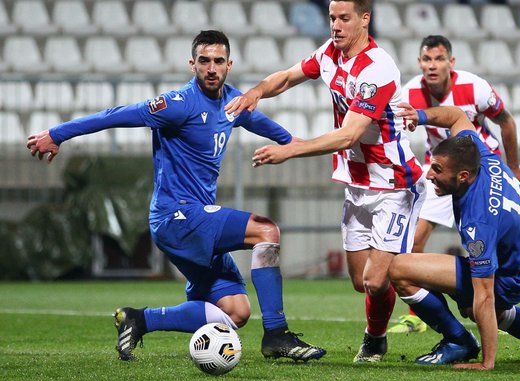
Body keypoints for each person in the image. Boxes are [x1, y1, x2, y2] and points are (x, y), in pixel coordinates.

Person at [27, 30, 326, 363]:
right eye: (204, 61)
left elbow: (280, 135)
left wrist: (315, 148)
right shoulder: (177, 104)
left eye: (218, 61)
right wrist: (56, 134)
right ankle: (277, 335)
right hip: (177, 217)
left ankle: (139, 319)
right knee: (266, 230)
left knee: (235, 312)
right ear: (192, 64)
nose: (211, 68)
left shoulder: (233, 103)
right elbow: (114, 115)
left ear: (229, 64)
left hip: (194, 220)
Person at [226, 0, 426, 363]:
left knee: (376, 280)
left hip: (392, 183)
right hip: (356, 184)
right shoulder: (329, 54)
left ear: (365, 19)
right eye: (332, 18)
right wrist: (256, 92)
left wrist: (291, 150)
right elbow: (287, 77)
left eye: (344, 18)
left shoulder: (377, 67)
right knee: (359, 281)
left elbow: (350, 133)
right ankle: (413, 296)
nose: (335, 25)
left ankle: (379, 338)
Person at [389, 104, 520, 369]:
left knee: (401, 269)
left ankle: (458, 341)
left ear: (463, 176)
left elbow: (486, 294)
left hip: (512, 273)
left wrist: (486, 362)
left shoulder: (478, 221)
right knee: (477, 309)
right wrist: (420, 116)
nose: (430, 174)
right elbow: (457, 115)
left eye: (437, 169)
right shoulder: (479, 154)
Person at [388, 35, 520, 334]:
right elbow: (394, 136)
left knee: (493, 251)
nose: (432, 65)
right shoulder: (409, 92)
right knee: (412, 244)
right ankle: (418, 315)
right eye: (427, 59)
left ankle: (494, 306)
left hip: (479, 175)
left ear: (451, 62)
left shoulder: (475, 87)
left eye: (439, 59)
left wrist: (513, 166)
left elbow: (507, 121)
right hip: (440, 174)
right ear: (419, 63)